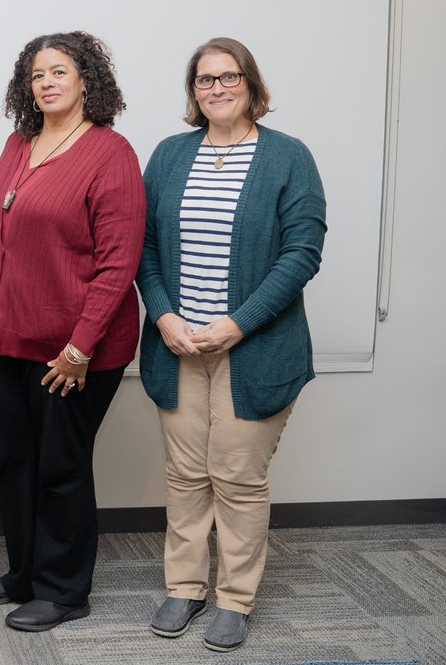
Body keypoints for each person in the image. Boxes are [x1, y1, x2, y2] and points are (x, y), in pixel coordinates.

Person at [137, 37, 326, 652]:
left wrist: (237, 323)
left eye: (228, 77)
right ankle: (185, 587)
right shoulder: (169, 155)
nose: (216, 89)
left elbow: (302, 252)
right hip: (178, 344)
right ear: (193, 92)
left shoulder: (287, 157)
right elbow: (143, 246)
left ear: (250, 84)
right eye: (204, 80)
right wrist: (164, 315)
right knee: (187, 474)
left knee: (237, 475)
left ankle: (234, 599)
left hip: (255, 349)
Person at [0, 32, 145, 632]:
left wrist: (79, 346)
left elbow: (119, 262)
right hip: (8, 338)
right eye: (37, 74)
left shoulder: (110, 153)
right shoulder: (19, 143)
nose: (46, 82)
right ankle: (25, 573)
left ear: (86, 80)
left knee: (59, 468)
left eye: (60, 71)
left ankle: (65, 589)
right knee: (5, 457)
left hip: (74, 350)